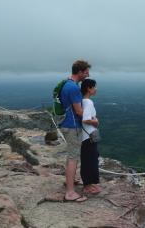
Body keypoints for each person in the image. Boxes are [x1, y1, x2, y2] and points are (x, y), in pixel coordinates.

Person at [60, 60, 91, 202]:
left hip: (66, 124)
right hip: (72, 126)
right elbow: (79, 112)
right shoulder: (73, 88)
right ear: (79, 72)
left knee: (71, 156)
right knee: (73, 157)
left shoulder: (67, 83)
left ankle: (70, 181)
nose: (88, 74)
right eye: (86, 72)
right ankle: (70, 193)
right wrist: (93, 117)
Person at [80, 78, 102, 194]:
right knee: (90, 160)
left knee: (88, 159)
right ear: (89, 88)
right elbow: (86, 119)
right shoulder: (88, 102)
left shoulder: (82, 101)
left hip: (85, 136)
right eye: (94, 87)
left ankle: (89, 183)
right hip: (89, 136)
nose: (96, 89)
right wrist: (96, 122)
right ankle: (87, 185)